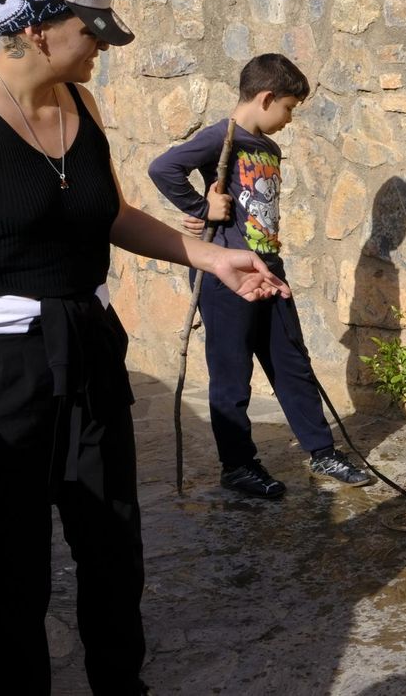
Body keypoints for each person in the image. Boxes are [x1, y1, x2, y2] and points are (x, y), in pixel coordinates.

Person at [0, 0, 288, 695]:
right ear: (35, 27)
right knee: (9, 573)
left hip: (90, 349)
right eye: (89, 27)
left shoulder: (81, 106)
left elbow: (106, 214)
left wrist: (209, 252)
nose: (102, 45)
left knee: (112, 550)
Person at [148, 53, 372, 498]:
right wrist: (200, 208)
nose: (289, 118)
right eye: (288, 108)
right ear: (266, 97)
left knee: (293, 363)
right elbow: (163, 168)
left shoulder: (266, 147)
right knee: (231, 376)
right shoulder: (219, 137)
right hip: (227, 277)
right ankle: (238, 465)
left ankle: (322, 451)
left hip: (269, 269)